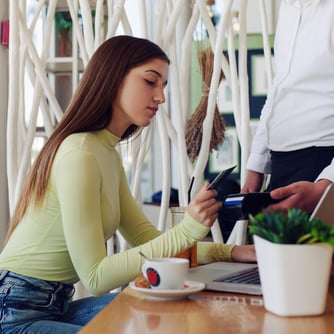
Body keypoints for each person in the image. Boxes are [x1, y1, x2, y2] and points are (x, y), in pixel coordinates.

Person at [0, 35, 256, 333]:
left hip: (54, 305)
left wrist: (230, 252)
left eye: (163, 86)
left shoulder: (105, 153)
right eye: (150, 81)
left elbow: (147, 239)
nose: (160, 96)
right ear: (113, 79)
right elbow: (95, 277)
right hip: (14, 312)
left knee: (172, 310)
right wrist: (188, 228)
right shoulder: (80, 152)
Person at [242, 0, 334, 214]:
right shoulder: (288, 8)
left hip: (322, 163)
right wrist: (256, 165)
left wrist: (327, 185)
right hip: (280, 164)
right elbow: (279, 88)